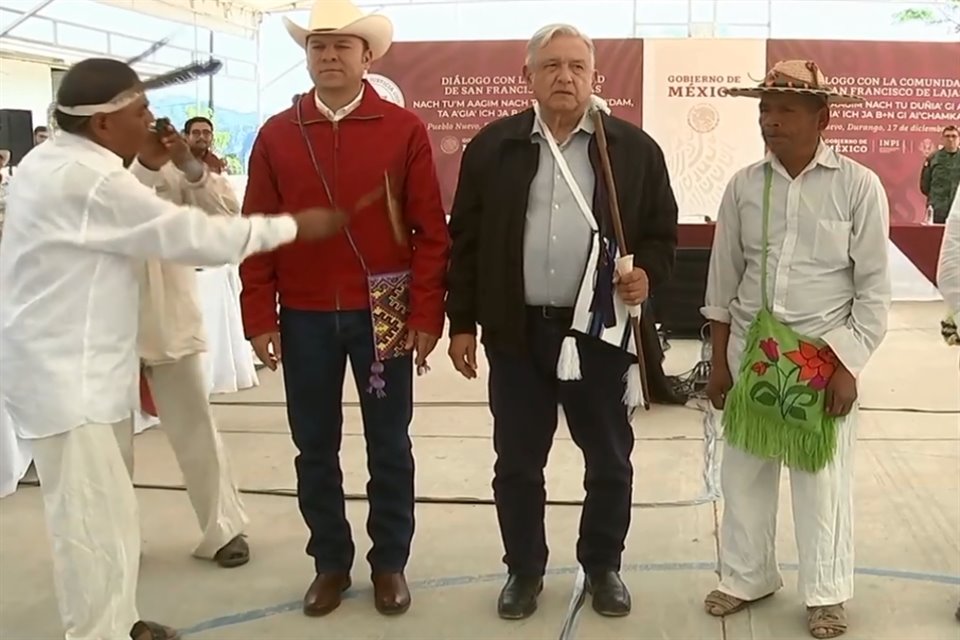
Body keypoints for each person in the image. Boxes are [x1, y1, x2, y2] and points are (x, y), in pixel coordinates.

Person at [0, 57, 346, 640]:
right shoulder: (88, 177)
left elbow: (171, 216)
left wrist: (172, 168)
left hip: (82, 366)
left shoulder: (59, 162)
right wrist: (289, 227)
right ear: (105, 124)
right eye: (140, 112)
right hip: (67, 376)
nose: (153, 121)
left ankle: (116, 620)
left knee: (105, 514)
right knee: (89, 521)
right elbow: (186, 235)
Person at [445, 23, 678, 620]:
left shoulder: (631, 149)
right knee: (518, 461)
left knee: (609, 458)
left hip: (598, 335)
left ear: (594, 75)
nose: (565, 77)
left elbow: (660, 233)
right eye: (550, 66)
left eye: (576, 65)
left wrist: (646, 273)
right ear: (527, 76)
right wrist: (462, 323)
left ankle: (603, 566)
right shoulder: (493, 147)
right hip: (515, 332)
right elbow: (465, 241)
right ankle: (524, 570)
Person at [239, 0, 449, 617]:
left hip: (383, 303)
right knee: (314, 446)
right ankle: (330, 562)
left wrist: (425, 314)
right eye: (318, 47)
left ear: (367, 57)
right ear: (307, 57)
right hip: (301, 312)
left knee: (390, 443)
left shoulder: (403, 130)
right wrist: (259, 315)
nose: (329, 57)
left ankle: (389, 562)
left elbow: (430, 233)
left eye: (341, 47)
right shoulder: (278, 133)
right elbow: (258, 231)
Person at [700, 60, 891, 639]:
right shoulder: (742, 185)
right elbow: (722, 280)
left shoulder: (859, 186)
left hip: (823, 362)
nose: (770, 119)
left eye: (785, 109)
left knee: (821, 484)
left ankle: (826, 594)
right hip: (752, 360)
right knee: (743, 477)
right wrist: (718, 361)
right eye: (764, 108)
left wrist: (849, 366)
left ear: (822, 118)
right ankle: (746, 576)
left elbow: (874, 290)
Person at [124, 118, 250, 569]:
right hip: (102, 331)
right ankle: (117, 542)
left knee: (196, 428)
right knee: (109, 445)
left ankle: (225, 529)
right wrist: (144, 168)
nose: (146, 123)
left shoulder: (174, 170)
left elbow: (226, 217)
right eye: (135, 114)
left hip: (168, 318)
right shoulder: (81, 170)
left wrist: (188, 167)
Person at [921, 125, 960, 224]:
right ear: (942, 139)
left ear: (959, 139)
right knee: (936, 237)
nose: (950, 139)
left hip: (958, 207)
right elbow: (925, 186)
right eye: (947, 136)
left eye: (954, 136)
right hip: (938, 208)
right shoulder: (933, 158)